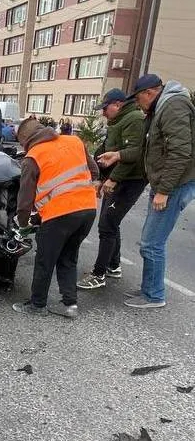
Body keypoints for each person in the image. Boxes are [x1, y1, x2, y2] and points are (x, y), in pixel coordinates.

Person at [98, 74, 195, 309]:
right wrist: (119, 155)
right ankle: (148, 288)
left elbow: (180, 152)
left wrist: (164, 190)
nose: (137, 104)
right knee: (149, 242)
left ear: (149, 93)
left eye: (138, 98)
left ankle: (154, 295)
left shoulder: (173, 106)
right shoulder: (161, 107)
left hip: (174, 185)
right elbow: (147, 148)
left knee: (152, 243)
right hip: (167, 183)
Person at [12, 118, 98, 318]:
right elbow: (94, 171)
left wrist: (23, 224)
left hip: (59, 215)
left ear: (25, 140)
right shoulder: (74, 141)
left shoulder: (33, 157)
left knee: (45, 260)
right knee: (68, 257)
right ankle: (70, 305)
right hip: (88, 209)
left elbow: (24, 200)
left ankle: (37, 305)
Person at [77, 88, 146, 290]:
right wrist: (99, 177)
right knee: (110, 222)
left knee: (107, 224)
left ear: (117, 105)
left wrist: (113, 180)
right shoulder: (117, 122)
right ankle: (114, 266)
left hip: (130, 180)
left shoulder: (134, 119)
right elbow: (106, 151)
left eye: (105, 109)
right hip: (117, 179)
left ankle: (99, 274)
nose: (103, 113)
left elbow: (133, 155)